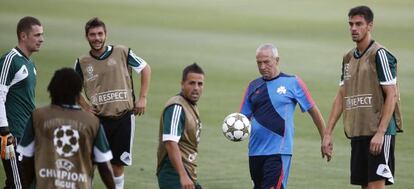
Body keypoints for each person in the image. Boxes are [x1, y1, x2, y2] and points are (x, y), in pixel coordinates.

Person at [322, 5, 403, 189]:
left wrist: (381, 133)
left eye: (359, 24)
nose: (353, 28)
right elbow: (342, 94)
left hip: (378, 133)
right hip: (359, 132)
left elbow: (392, 94)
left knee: (375, 187)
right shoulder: (348, 58)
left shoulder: (380, 54)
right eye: (350, 24)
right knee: (365, 187)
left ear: (370, 26)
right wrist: (327, 133)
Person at [74, 17, 151, 189]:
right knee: (90, 162)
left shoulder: (122, 52)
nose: (97, 38)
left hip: (123, 117)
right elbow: (73, 87)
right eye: (92, 34)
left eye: (100, 34)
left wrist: (143, 97)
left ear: (106, 35)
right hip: (97, 120)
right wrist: (85, 106)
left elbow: (145, 68)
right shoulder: (82, 62)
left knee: (117, 164)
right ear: (86, 37)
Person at [239, 43, 326, 189]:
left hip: (278, 152)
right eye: (259, 63)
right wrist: (234, 128)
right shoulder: (253, 86)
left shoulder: (293, 82)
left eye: (266, 62)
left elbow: (313, 110)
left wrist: (325, 137)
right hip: (254, 152)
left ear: (277, 60)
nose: (262, 66)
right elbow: (242, 118)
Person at [16, 68, 115, 189]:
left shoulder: (38, 117)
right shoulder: (92, 122)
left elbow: (26, 159)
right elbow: (104, 165)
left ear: (51, 89)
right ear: (78, 93)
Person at [0, 16, 44, 189]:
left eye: (42, 35)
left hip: (26, 134)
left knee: (25, 182)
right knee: (20, 185)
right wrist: (4, 131)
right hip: (12, 135)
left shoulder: (30, 63)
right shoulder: (10, 60)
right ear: (23, 36)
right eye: (37, 35)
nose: (42, 39)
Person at [156, 63, 204, 189]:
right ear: (182, 84)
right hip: (173, 172)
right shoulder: (177, 107)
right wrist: (182, 175)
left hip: (187, 171)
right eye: (191, 83)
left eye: (200, 84)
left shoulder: (190, 105)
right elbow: (171, 143)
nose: (196, 88)